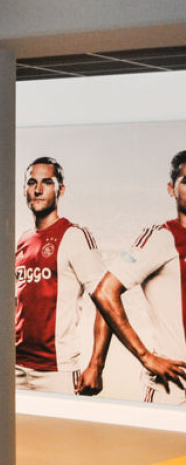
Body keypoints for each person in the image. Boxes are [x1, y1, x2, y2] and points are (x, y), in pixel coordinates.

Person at [91, 151, 186, 403]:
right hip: (175, 384)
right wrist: (145, 356)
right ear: (171, 189)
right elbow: (105, 292)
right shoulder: (162, 237)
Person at [15, 157, 110, 395]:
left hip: (56, 372)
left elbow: (106, 301)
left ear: (61, 189)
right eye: (31, 182)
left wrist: (96, 365)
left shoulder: (74, 236)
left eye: (46, 182)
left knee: (62, 434)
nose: (37, 190)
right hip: (14, 368)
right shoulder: (22, 240)